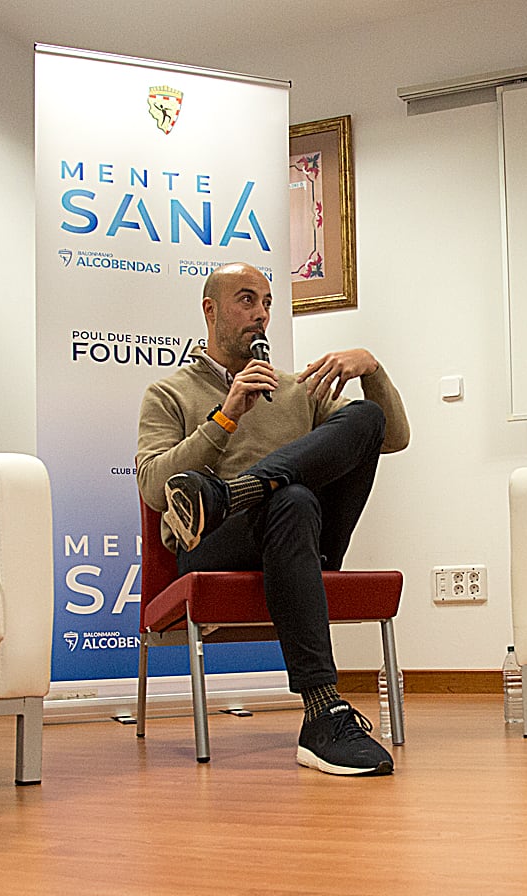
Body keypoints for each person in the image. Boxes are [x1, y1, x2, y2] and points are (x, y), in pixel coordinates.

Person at [136, 262, 410, 777]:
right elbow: (155, 490)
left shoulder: (296, 389)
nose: (260, 314)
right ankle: (323, 710)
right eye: (246, 300)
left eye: (266, 302)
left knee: (363, 419)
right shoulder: (168, 393)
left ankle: (232, 493)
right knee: (293, 499)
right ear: (210, 310)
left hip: (300, 539)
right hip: (214, 540)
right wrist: (225, 416)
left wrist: (372, 370)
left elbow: (390, 437)